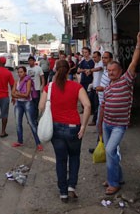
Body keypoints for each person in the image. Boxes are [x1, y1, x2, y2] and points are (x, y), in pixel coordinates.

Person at [39, 60, 91, 203]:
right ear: (69, 71)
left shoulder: (49, 87)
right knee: (74, 157)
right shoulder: (76, 86)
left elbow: (41, 106)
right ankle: (71, 187)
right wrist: (83, 126)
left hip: (56, 128)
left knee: (61, 160)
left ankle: (63, 192)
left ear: (55, 70)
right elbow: (87, 105)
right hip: (74, 127)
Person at [98, 32, 140, 196]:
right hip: (107, 124)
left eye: (113, 70)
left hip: (119, 126)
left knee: (110, 151)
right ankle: (117, 177)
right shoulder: (108, 87)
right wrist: (100, 126)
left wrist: (138, 44)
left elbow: (134, 61)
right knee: (112, 152)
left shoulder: (126, 80)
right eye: (108, 71)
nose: (111, 73)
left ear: (120, 70)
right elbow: (103, 106)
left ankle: (114, 183)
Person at [11, 66, 43, 151]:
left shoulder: (28, 80)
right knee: (18, 123)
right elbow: (12, 94)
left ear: (25, 73)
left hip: (27, 103)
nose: (19, 73)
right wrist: (19, 94)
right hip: (18, 103)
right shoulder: (16, 81)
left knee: (32, 123)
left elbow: (27, 95)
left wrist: (17, 94)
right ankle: (20, 141)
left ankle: (38, 143)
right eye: (18, 72)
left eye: (21, 72)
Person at [88, 51, 113, 153]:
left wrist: (103, 89)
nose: (103, 60)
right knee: (100, 126)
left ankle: (107, 148)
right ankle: (101, 146)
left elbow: (114, 87)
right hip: (101, 102)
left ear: (111, 59)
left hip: (108, 105)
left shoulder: (112, 71)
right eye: (103, 58)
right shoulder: (106, 70)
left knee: (103, 126)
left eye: (106, 58)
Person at [26, 55, 45, 121]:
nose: (30, 62)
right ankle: (30, 118)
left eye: (31, 60)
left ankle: (36, 117)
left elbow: (42, 77)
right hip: (28, 89)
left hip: (36, 89)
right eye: (29, 61)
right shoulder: (27, 69)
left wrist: (42, 85)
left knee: (36, 104)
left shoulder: (38, 68)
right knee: (29, 104)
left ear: (34, 61)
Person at [87, 51, 103, 126]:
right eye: (93, 57)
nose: (94, 58)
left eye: (95, 57)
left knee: (97, 105)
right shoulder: (96, 63)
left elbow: (99, 69)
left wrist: (90, 70)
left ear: (99, 57)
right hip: (94, 87)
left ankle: (95, 120)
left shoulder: (101, 63)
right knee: (92, 103)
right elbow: (95, 75)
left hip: (99, 88)